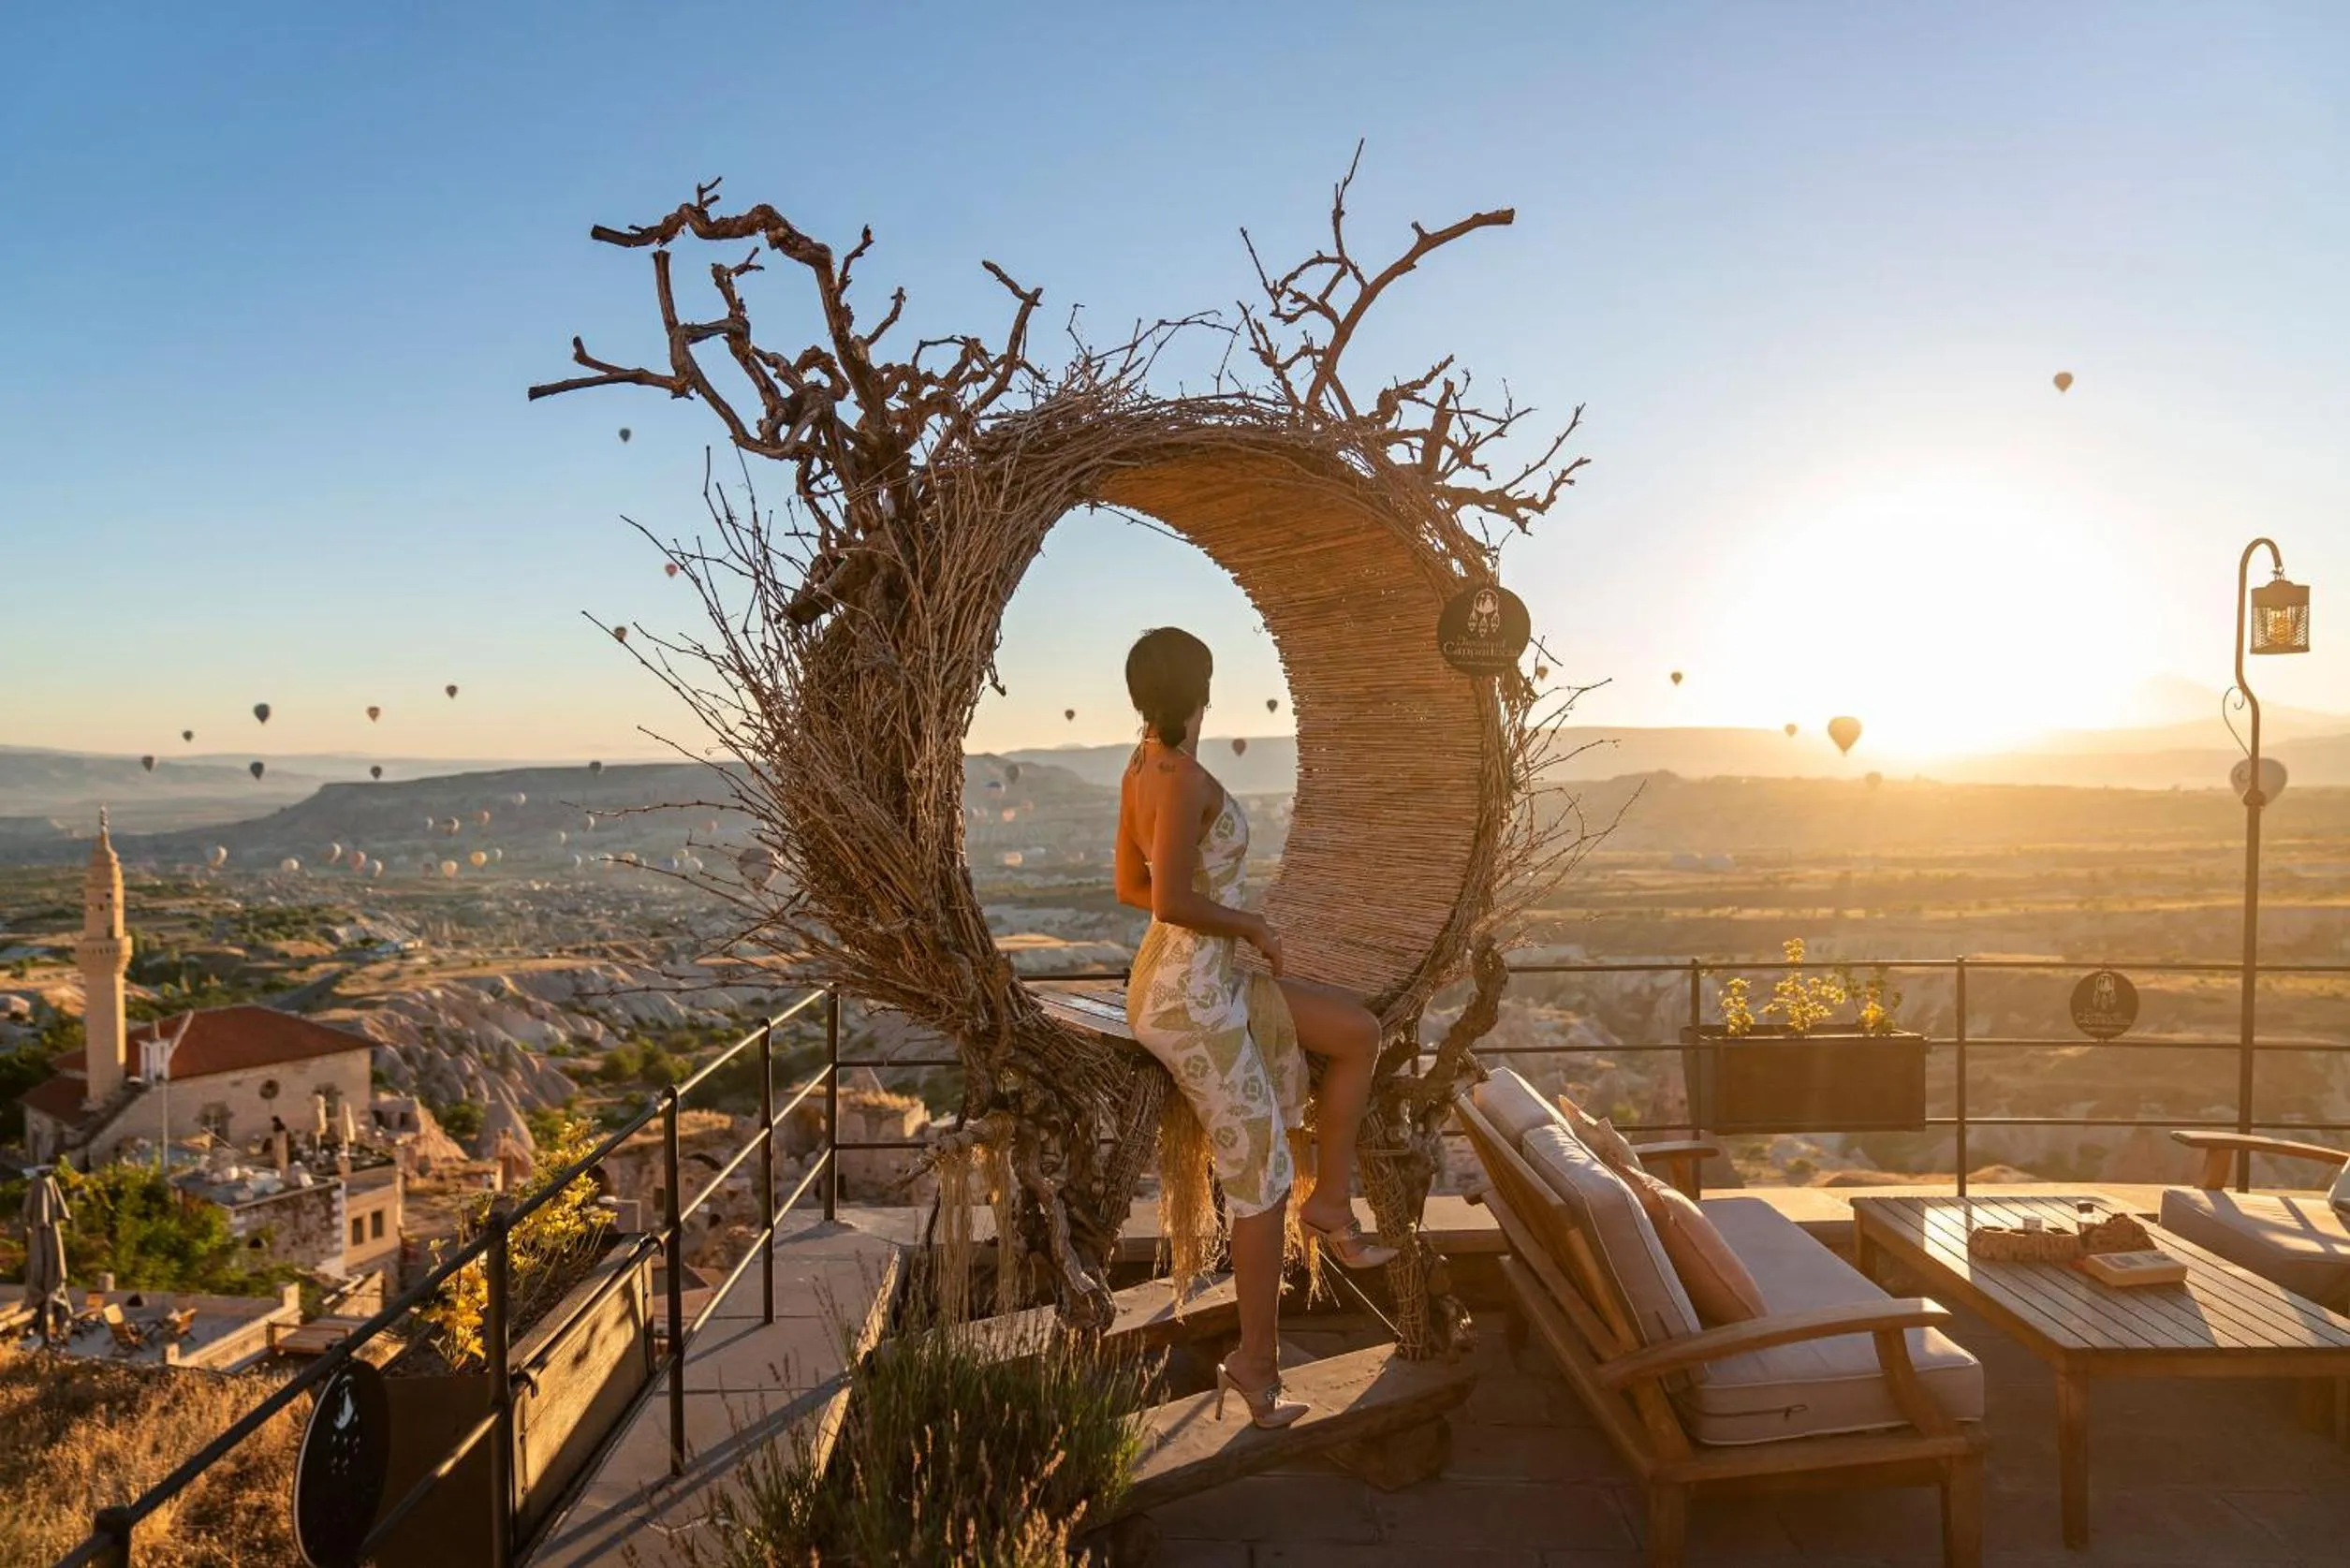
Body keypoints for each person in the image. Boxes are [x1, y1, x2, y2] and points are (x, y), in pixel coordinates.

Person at [1115, 625, 1396, 1429]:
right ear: (1202, 688)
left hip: (1206, 977)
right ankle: (1256, 1363)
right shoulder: (1179, 777)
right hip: (1188, 1000)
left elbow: (1130, 887)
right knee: (1262, 1174)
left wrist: (1225, 939)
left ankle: (1333, 1205)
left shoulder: (1142, 768)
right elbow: (1166, 900)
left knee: (1356, 1032)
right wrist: (1249, 926)